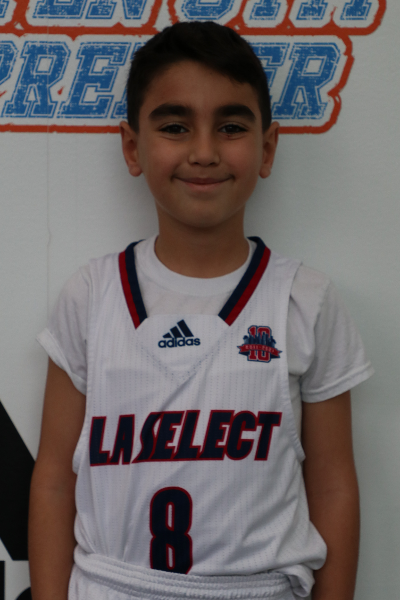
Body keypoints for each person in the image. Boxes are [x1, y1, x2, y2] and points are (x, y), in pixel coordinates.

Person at [29, 21, 373, 600]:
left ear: (267, 148)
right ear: (133, 147)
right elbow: (54, 482)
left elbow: (334, 485)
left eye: (231, 127)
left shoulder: (304, 299)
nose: (205, 152)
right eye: (175, 126)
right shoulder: (91, 295)